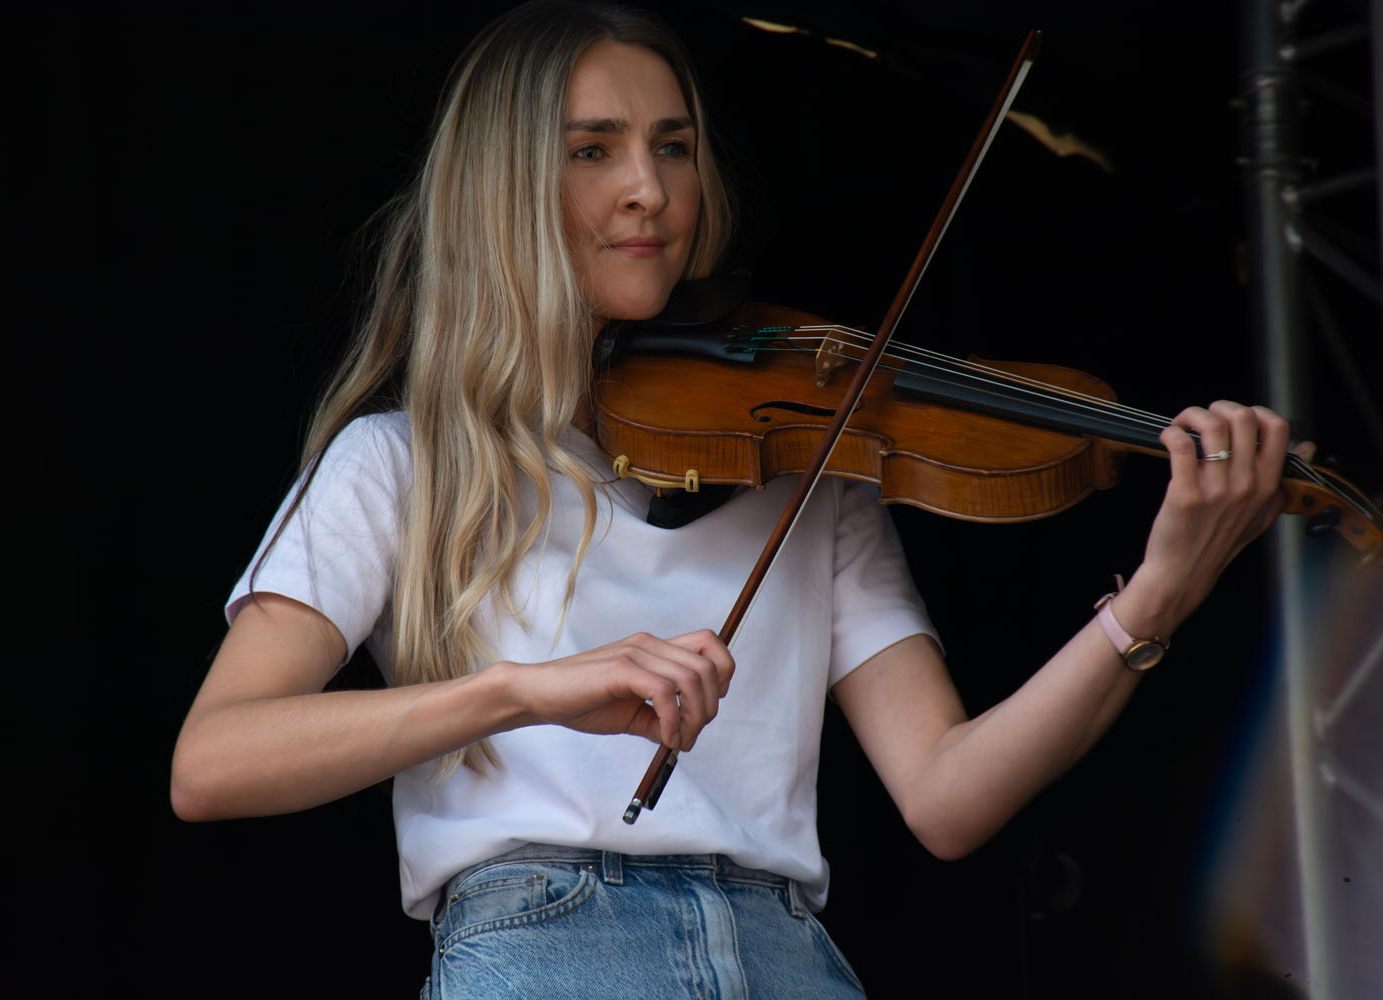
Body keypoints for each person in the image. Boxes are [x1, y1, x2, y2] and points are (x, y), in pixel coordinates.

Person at [170, 3, 1299, 996]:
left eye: (674, 146)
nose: (650, 189)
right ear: (503, 186)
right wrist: (521, 691)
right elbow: (213, 762)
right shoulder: (403, 463)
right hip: (547, 950)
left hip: (788, 956)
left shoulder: (805, 466)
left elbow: (947, 797)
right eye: (593, 149)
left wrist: (1156, 598)